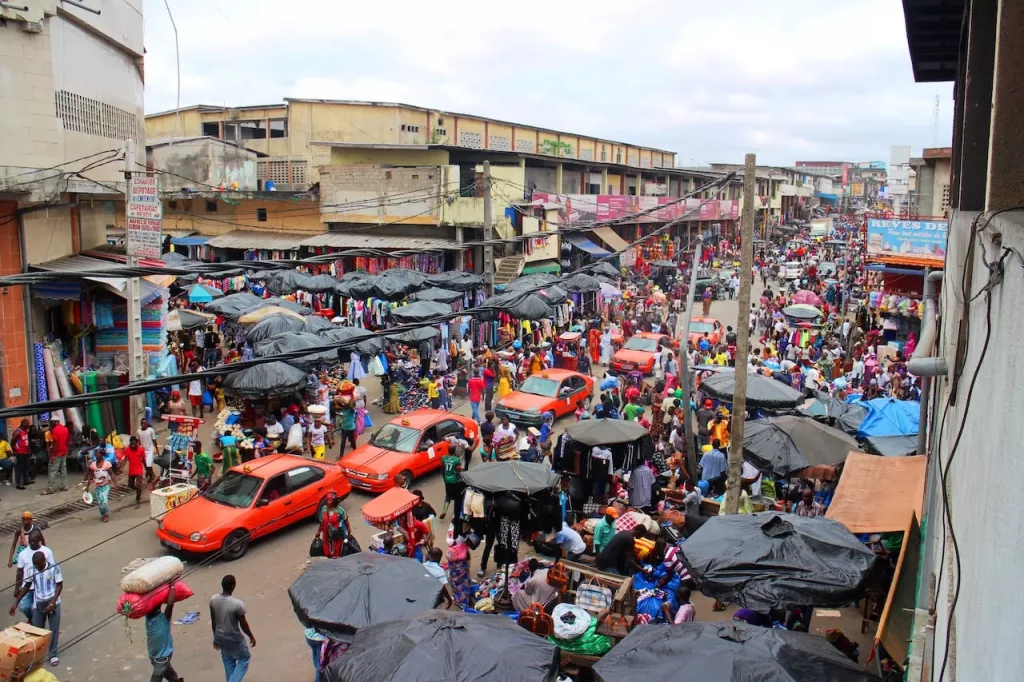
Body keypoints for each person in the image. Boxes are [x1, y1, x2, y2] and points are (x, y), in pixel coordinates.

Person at [10, 549, 63, 666]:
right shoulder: (32, 570)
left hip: (53, 601)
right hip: (38, 602)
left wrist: (52, 603)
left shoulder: (54, 568)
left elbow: (59, 585)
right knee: (38, 631)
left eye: (39, 565)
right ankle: (37, 657)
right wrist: (16, 603)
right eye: (36, 566)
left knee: (53, 629)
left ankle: (53, 655)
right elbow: (27, 586)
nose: (37, 568)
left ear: (44, 560)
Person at [210, 574, 255, 682]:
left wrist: (215, 638)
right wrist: (251, 636)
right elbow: (243, 624)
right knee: (244, 659)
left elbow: (213, 621)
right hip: (234, 638)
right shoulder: (237, 604)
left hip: (220, 637)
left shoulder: (213, 600)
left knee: (228, 661)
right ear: (233, 585)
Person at [146, 577, 183, 682]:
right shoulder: (163, 618)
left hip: (155, 656)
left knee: (171, 676)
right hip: (161, 658)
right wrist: (171, 585)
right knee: (163, 677)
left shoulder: (148, 619)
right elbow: (170, 603)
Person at [13, 529, 52, 622]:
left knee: (45, 608)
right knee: (24, 606)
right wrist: (17, 587)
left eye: (34, 541)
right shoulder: (23, 554)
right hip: (28, 585)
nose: (31, 543)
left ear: (39, 540)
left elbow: (52, 568)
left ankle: (41, 623)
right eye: (30, 541)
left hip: (42, 586)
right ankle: (33, 619)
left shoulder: (46, 551)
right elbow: (19, 571)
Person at [84, 449, 116, 523]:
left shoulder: (107, 464)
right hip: (98, 487)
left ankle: (106, 515)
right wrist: (87, 486)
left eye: (98, 454)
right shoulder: (93, 465)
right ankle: (103, 514)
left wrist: (115, 484)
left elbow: (112, 474)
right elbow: (91, 476)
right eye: (96, 454)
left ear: (102, 455)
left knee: (104, 502)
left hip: (105, 486)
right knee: (100, 503)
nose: (96, 455)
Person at [317, 492, 351, 558]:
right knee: (326, 547)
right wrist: (318, 531)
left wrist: (348, 531)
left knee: (337, 548)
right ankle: (329, 557)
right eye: (327, 500)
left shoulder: (340, 510)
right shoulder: (324, 509)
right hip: (326, 531)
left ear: (334, 502)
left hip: (337, 532)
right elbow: (322, 522)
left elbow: (346, 521)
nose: (327, 502)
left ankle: (336, 558)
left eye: (329, 500)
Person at [446, 530, 474, 608]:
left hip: (452, 561)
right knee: (463, 583)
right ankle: (464, 603)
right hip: (461, 563)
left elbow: (450, 542)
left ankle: (457, 600)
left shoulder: (450, 531)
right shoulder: (464, 533)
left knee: (455, 583)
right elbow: (473, 545)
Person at [439, 442, 464, 521]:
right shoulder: (457, 460)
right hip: (454, 481)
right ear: (454, 451)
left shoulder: (443, 458)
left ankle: (444, 511)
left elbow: (442, 468)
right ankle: (456, 514)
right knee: (457, 498)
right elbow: (458, 470)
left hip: (447, 480)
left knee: (448, 496)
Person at [43, 420, 69, 495]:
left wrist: (53, 455)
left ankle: (50, 488)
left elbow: (55, 443)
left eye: (51, 423)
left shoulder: (55, 430)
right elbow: (66, 440)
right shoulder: (65, 429)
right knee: (63, 469)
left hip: (57, 453)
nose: (50, 425)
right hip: (64, 451)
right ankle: (65, 486)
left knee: (52, 470)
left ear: (54, 422)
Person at [124, 436, 147, 509]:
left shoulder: (141, 450)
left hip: (139, 470)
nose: (133, 445)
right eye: (131, 444)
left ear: (136, 443)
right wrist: (121, 466)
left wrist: (147, 469)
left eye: (134, 444)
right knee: (130, 485)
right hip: (131, 471)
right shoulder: (127, 450)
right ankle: (139, 490)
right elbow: (125, 459)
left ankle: (138, 500)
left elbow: (143, 460)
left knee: (138, 485)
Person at [11, 420, 32, 489]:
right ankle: (19, 484)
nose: (28, 425)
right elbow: (13, 441)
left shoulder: (25, 431)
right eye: (27, 424)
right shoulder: (17, 431)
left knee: (26, 467)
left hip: (26, 452)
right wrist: (14, 450)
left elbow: (25, 441)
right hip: (19, 452)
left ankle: (26, 480)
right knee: (20, 468)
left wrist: (29, 449)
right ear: (23, 424)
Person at [138, 418, 159, 483]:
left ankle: (152, 475)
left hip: (150, 449)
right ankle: (152, 475)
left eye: (145, 423)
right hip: (143, 450)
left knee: (148, 464)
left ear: (147, 424)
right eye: (142, 423)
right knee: (145, 465)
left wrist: (157, 449)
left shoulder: (151, 430)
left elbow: (154, 440)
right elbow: (138, 441)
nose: (143, 424)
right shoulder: (138, 431)